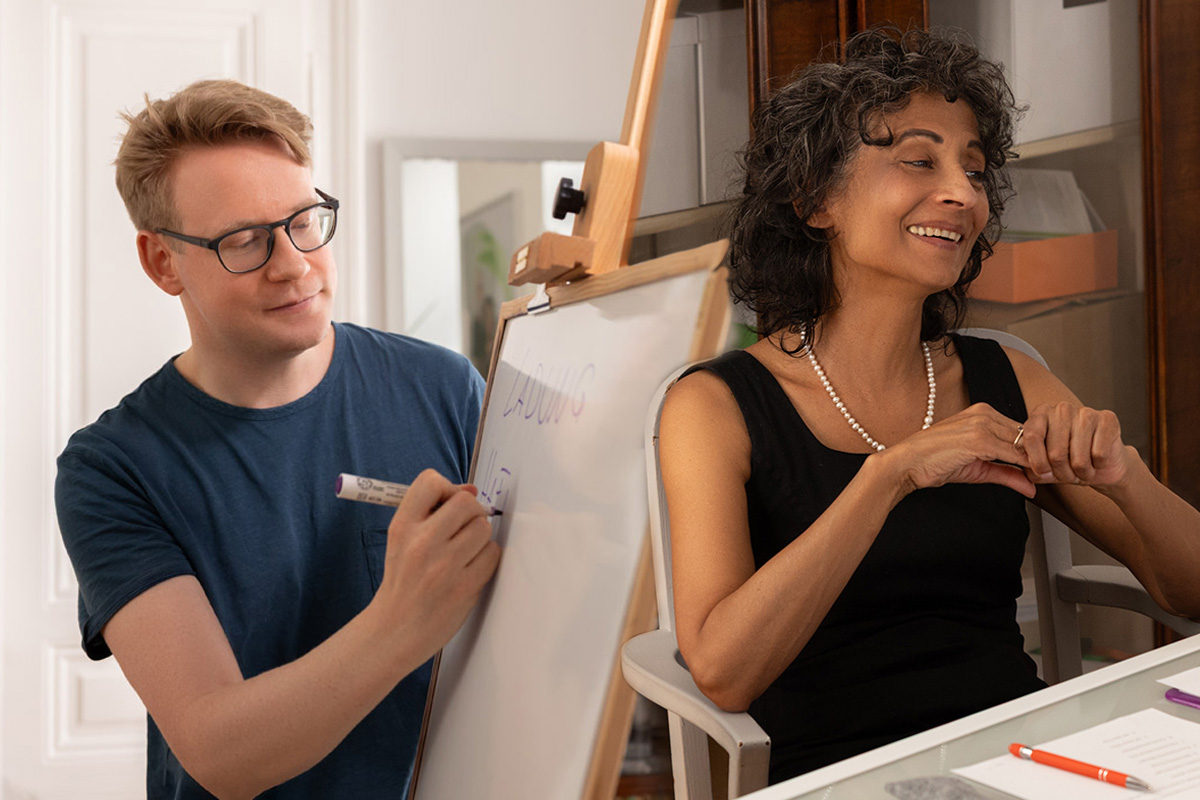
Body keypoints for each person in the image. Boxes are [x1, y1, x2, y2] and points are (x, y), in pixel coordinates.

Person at [660, 27, 1200, 784]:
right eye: (920, 160)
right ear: (816, 198)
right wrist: (892, 474)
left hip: (1019, 757)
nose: (962, 192)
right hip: (840, 777)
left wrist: (1126, 478)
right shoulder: (714, 407)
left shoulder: (1005, 374)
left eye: (975, 170)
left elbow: (1190, 590)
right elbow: (723, 671)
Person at [54, 79, 501, 799]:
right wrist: (401, 619)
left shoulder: (444, 388)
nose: (294, 263)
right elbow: (219, 753)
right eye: (245, 241)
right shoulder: (112, 469)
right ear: (163, 261)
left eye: (303, 221)